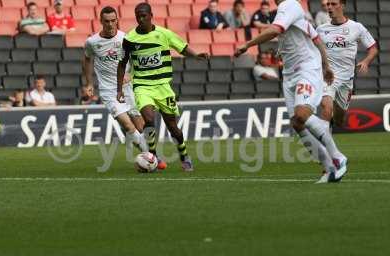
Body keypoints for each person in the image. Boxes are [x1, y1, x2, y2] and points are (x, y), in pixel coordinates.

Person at [235, 0, 348, 183]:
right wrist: (326, 65)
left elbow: (275, 30)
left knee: (302, 115)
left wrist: (247, 45)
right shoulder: (296, 16)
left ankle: (337, 156)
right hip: (289, 75)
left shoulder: (289, 4)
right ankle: (328, 169)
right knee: (297, 123)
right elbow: (316, 39)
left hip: (306, 69)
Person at [117, 2, 209, 171]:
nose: (141, 19)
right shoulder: (129, 39)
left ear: (151, 15)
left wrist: (196, 56)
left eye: (144, 15)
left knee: (173, 128)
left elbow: (182, 47)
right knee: (149, 119)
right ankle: (153, 156)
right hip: (142, 86)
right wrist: (119, 90)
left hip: (163, 87)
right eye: (138, 16)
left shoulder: (164, 34)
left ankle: (184, 156)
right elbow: (122, 64)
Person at [83, 6, 149, 159]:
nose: (110, 24)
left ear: (117, 20)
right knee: (127, 125)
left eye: (113, 20)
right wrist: (89, 83)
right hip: (109, 90)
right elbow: (87, 59)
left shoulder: (125, 38)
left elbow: (138, 61)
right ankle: (151, 158)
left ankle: (149, 153)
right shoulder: (92, 42)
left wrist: (131, 75)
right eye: (107, 21)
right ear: (101, 21)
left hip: (128, 87)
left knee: (141, 126)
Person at [318, 0, 378, 128]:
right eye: (328, 4)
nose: (329, 7)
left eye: (333, 4)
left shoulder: (356, 27)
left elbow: (373, 48)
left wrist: (366, 61)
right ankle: (322, 145)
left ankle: (330, 124)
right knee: (326, 107)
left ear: (343, 6)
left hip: (346, 80)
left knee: (339, 120)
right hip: (328, 77)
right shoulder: (321, 29)